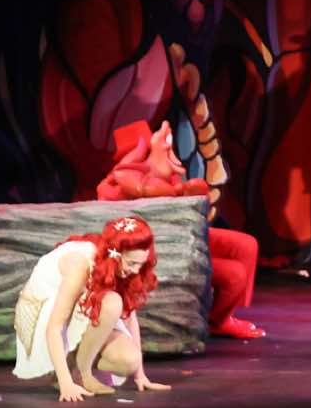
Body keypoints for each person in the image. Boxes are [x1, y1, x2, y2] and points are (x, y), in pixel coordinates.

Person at [95, 120, 263, 339]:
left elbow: (192, 197)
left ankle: (226, 314)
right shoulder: (118, 182)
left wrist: (187, 191)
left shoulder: (164, 173)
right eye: (158, 146)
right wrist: (177, 190)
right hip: (160, 248)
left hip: (183, 234)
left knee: (246, 245)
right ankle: (217, 321)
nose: (167, 149)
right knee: (234, 275)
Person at [12, 214, 170, 402]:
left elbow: (129, 316)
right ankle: (79, 374)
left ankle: (76, 365)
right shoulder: (80, 265)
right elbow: (54, 327)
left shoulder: (119, 268)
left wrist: (140, 376)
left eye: (140, 264)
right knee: (112, 303)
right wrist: (65, 383)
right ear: (115, 254)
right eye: (132, 263)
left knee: (129, 360)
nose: (136, 270)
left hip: (83, 309)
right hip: (45, 312)